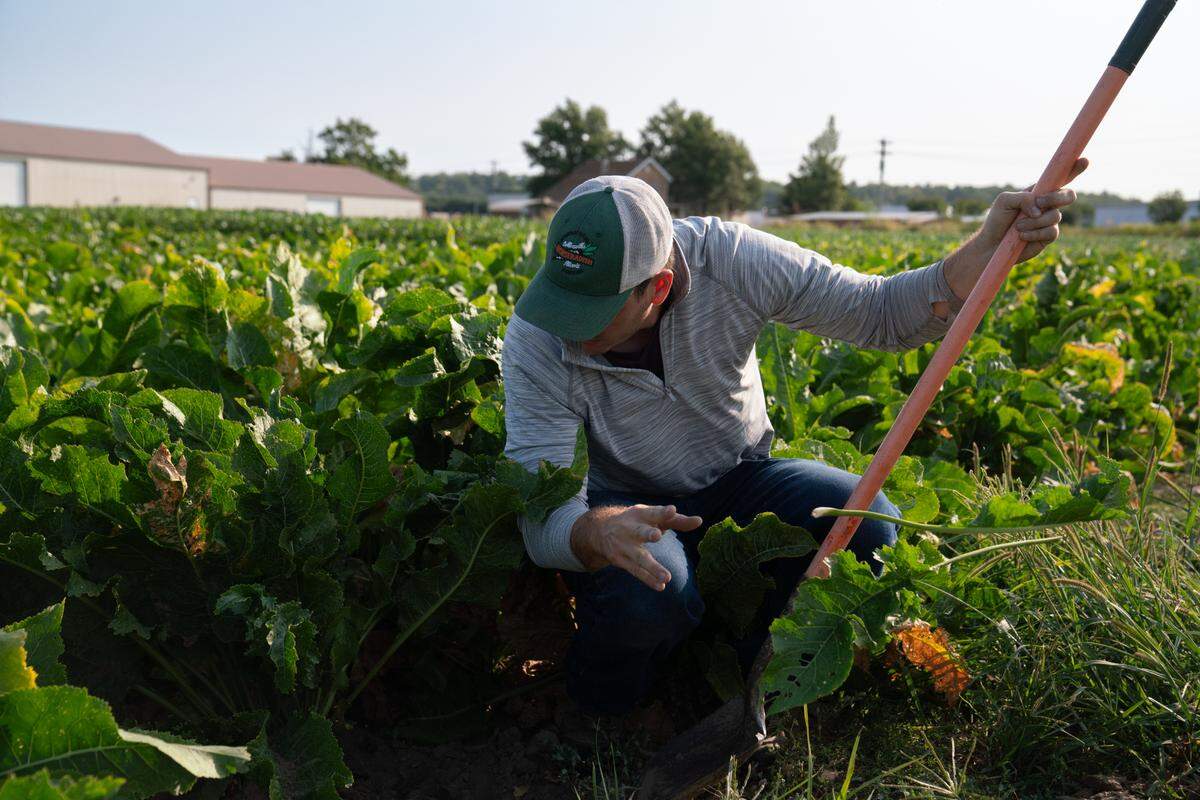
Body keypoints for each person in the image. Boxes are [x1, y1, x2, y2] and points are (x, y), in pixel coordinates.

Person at [501, 164, 1086, 716]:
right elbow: (542, 512)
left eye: (594, 313)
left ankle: (750, 671)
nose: (567, 329)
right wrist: (595, 531)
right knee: (646, 588)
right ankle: (604, 716)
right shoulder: (535, 337)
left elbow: (880, 312)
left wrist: (986, 250)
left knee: (869, 522)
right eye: (562, 298)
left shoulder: (731, 260)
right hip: (628, 505)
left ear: (657, 288)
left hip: (738, 475)